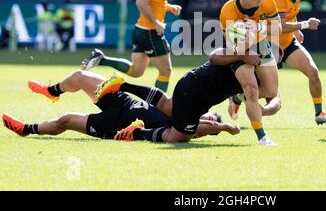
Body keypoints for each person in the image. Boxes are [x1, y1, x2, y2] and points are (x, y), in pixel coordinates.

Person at [2, 70, 238, 140]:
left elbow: (208, 127)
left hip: (117, 124)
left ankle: (26, 130)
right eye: (214, 114)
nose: (211, 115)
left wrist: (225, 127)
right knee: (80, 76)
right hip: (126, 102)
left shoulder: (189, 127)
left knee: (66, 120)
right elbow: (158, 97)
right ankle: (51, 91)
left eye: (214, 118)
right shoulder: (186, 107)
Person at [113, 48, 282, 146]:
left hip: (193, 92)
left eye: (275, 62)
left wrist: (264, 111)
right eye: (270, 56)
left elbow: (276, 100)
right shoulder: (243, 51)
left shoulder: (267, 79)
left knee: (169, 106)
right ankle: (136, 133)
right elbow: (214, 56)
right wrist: (242, 56)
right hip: (195, 92)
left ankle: (122, 85)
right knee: (179, 137)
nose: (270, 62)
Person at [80, 0, 182, 92]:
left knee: (136, 71)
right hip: (150, 32)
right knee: (166, 71)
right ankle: (157, 107)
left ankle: (101, 59)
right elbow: (141, 2)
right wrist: (156, 23)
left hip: (140, 30)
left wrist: (169, 7)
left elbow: (155, 2)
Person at [219, 0, 282, 146]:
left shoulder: (268, 1)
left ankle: (237, 97)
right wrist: (246, 50)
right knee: (251, 90)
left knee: (271, 91)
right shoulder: (228, 10)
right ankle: (263, 137)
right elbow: (234, 45)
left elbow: (277, 30)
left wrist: (256, 29)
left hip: (261, 45)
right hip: (238, 50)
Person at [270, 0, 326, 124]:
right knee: (263, 88)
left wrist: (295, 31)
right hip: (270, 47)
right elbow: (280, 27)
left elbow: (290, 17)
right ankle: (237, 98)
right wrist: (305, 25)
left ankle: (319, 114)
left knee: (313, 72)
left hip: (288, 44)